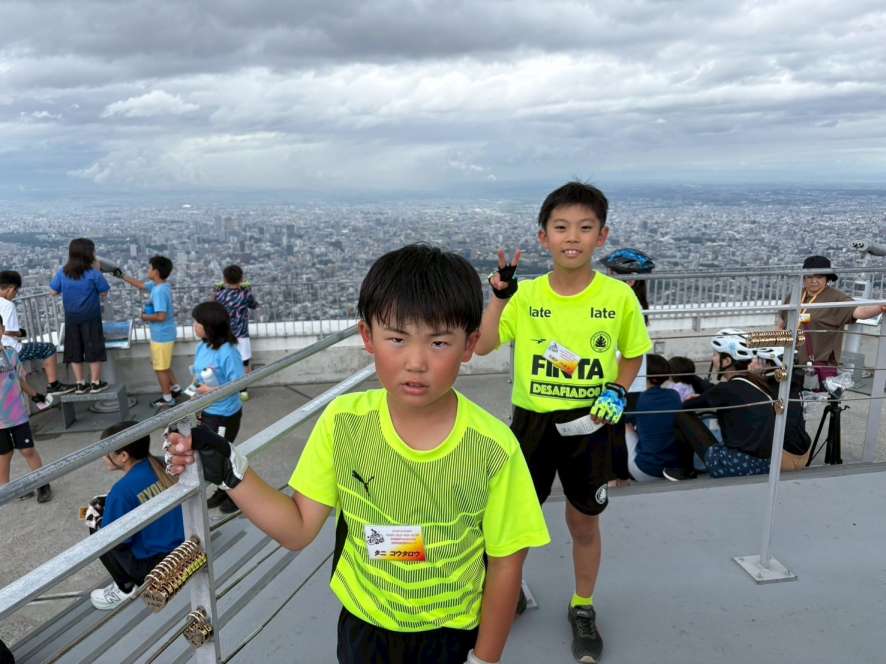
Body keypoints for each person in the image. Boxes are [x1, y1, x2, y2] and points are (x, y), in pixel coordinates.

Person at [165, 245, 551, 664]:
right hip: (363, 624)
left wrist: (484, 659)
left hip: (450, 632)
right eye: (397, 339)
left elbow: (507, 563)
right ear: (367, 337)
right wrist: (230, 469)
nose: (416, 362)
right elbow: (297, 529)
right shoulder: (344, 423)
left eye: (439, 342)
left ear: (469, 344)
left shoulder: (493, 447)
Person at [473, 181, 652, 663]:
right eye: (561, 227)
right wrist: (499, 297)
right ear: (543, 237)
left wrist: (617, 388)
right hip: (531, 422)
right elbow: (483, 345)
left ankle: (582, 604)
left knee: (584, 521)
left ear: (602, 236)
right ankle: (506, 594)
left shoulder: (618, 297)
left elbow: (633, 353)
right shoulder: (526, 295)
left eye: (585, 227)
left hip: (590, 423)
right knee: (515, 522)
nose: (572, 237)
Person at [89, 420, 185, 610]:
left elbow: (115, 541)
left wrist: (106, 511)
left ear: (123, 456)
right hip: (186, 547)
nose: (103, 457)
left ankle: (125, 587)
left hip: (155, 566)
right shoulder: (162, 463)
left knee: (95, 519)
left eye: (106, 453)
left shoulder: (121, 491)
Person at [664, 332, 774, 481]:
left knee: (681, 415)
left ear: (727, 361)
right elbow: (714, 391)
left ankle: (683, 470)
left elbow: (688, 405)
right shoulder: (756, 384)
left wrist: (693, 397)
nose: (712, 359)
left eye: (715, 355)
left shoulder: (726, 389)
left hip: (737, 467)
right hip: (766, 465)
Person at [778, 255, 886, 386]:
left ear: (827, 279)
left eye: (819, 277)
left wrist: (880, 307)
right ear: (804, 278)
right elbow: (783, 322)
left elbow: (860, 312)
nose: (814, 281)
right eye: (810, 276)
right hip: (788, 357)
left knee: (812, 395)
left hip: (817, 362)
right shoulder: (795, 295)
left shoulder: (836, 298)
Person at [191, 301, 245, 515]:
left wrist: (210, 391)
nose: (194, 326)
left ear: (209, 326)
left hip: (224, 414)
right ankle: (223, 491)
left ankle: (235, 495)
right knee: (214, 456)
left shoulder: (228, 352)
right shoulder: (202, 346)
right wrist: (197, 395)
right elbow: (198, 375)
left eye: (197, 322)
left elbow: (239, 384)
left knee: (221, 455)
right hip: (208, 411)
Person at [0, 313, 52, 502]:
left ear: (2, 330)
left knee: (28, 450)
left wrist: (35, 395)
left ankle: (42, 483)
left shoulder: (11, 354)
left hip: (17, 414)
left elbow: (19, 379)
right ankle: (5, 490)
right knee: (4, 454)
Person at [0, 270, 72, 406]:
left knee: (14, 373)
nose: (15, 295)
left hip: (3, 354)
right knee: (48, 348)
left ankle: (36, 396)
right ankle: (53, 384)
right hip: (11, 350)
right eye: (16, 292)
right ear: (11, 289)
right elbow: (7, 331)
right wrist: (21, 333)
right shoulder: (8, 305)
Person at [119, 256, 181, 408]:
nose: (148, 270)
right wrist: (122, 276)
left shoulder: (158, 291)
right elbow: (140, 285)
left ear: (156, 271)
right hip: (164, 334)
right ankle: (175, 388)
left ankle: (167, 398)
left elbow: (161, 316)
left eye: (149, 268)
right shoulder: (161, 285)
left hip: (162, 335)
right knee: (163, 365)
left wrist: (144, 316)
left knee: (160, 368)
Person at [49, 238, 109, 393]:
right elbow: (104, 292)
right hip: (91, 317)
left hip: (72, 317)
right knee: (93, 348)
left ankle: (80, 383)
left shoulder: (63, 272)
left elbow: (53, 291)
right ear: (89, 254)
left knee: (74, 349)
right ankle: (95, 383)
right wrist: (97, 269)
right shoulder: (93, 274)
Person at [622, 354, 683, 481]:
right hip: (673, 469)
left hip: (645, 471)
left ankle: (615, 477)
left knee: (623, 425)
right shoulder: (674, 395)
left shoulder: (637, 398)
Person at [751, 347, 811, 471]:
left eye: (761, 362)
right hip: (804, 452)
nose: (755, 363)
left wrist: (752, 376)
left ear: (772, 366)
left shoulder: (768, 392)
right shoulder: (794, 385)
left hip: (783, 457)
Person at [214, 265, 258, 401]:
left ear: (224, 279)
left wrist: (218, 289)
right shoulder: (245, 294)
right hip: (242, 334)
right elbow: (254, 305)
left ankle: (228, 389)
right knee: (244, 362)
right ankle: (243, 391)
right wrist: (247, 289)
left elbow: (214, 304)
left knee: (227, 361)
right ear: (242, 279)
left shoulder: (220, 295)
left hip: (225, 334)